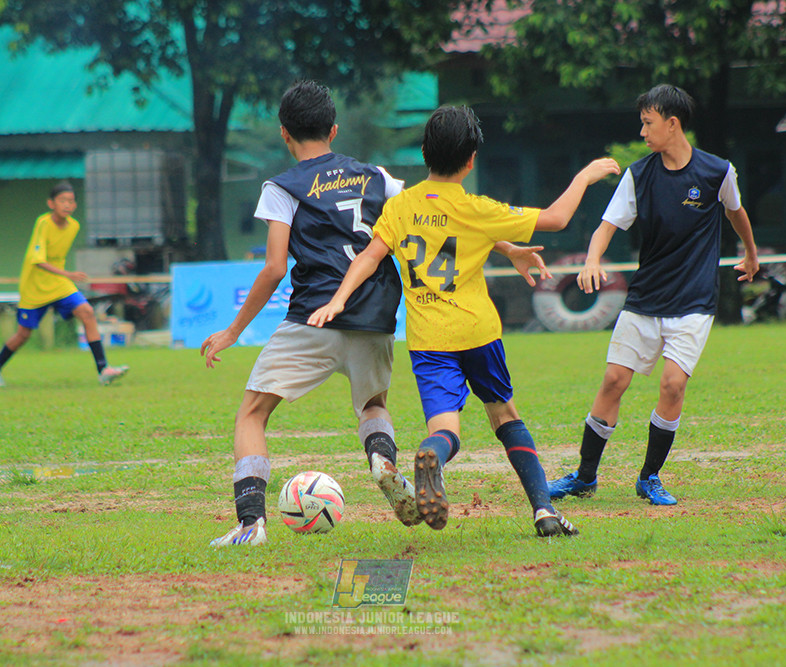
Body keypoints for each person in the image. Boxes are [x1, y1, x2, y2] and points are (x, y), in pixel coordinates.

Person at [309, 105, 620, 537]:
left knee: (445, 428)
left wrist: (339, 299)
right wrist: (586, 176)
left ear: (423, 152)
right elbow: (556, 218)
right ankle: (544, 511)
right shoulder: (476, 206)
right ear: (471, 159)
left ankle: (433, 453)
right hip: (478, 333)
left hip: (429, 340)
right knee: (505, 415)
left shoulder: (402, 206)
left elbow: (369, 257)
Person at [201, 80, 415, 547]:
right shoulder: (379, 177)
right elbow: (422, 221)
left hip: (312, 317)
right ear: (334, 129)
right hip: (375, 316)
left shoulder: (281, 187)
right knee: (373, 405)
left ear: (284, 134)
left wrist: (234, 330)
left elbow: (275, 266)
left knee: (252, 415)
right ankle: (381, 458)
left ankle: (251, 524)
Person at [547, 84, 759, 506]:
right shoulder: (639, 175)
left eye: (647, 123)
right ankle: (585, 476)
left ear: (671, 123)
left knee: (673, 385)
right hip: (646, 299)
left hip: (694, 301)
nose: (642, 132)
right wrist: (592, 259)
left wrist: (751, 255)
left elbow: (736, 212)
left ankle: (649, 477)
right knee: (613, 380)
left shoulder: (717, 171)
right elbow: (607, 225)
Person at [0, 181, 129, 387]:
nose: (67, 205)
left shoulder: (74, 226)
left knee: (87, 312)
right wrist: (68, 273)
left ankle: (103, 369)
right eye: (62, 201)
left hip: (59, 284)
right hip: (34, 287)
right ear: (51, 203)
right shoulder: (43, 223)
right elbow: (39, 260)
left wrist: (65, 276)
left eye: (71, 201)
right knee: (23, 334)